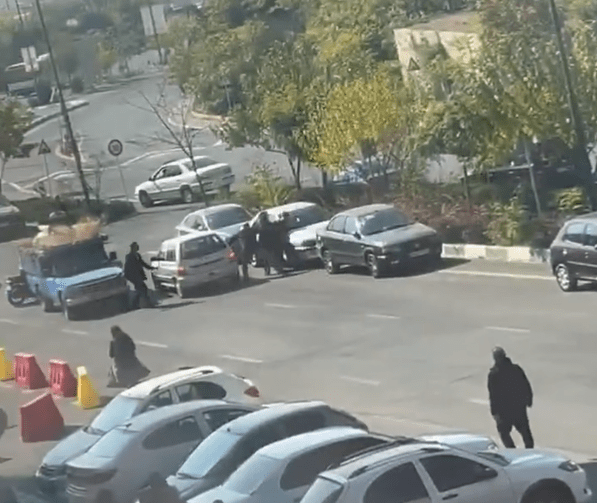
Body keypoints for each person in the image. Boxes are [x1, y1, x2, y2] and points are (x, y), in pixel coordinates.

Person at [487, 347, 534, 448]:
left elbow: (493, 395)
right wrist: (529, 400)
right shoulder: (515, 369)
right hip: (518, 407)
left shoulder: (494, 374)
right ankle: (530, 451)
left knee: (504, 433)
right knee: (525, 432)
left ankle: (512, 452)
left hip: (504, 411)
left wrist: (494, 412)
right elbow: (525, 385)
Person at [124, 242, 155, 309]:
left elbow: (142, 263)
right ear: (133, 248)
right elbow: (129, 267)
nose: (138, 247)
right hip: (134, 276)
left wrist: (151, 268)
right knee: (143, 288)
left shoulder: (137, 255)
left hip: (138, 276)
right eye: (136, 246)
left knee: (140, 289)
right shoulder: (129, 256)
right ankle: (145, 304)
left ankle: (135, 305)